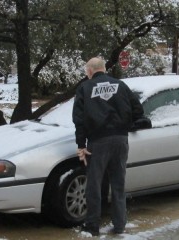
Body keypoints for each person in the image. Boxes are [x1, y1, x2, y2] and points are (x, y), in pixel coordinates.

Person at [72, 57, 144, 236]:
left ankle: (92, 226)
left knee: (94, 185)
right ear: (104, 69)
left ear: (89, 71)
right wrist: (126, 126)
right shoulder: (120, 85)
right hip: (120, 140)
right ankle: (119, 225)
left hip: (98, 142)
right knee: (118, 184)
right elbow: (138, 110)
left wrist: (81, 145)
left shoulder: (85, 88)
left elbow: (79, 120)